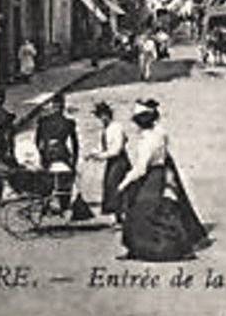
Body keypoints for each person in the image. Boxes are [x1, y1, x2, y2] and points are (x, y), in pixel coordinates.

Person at [117, 98, 209, 261]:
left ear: (140, 123)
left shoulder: (146, 141)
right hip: (161, 173)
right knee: (160, 208)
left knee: (142, 210)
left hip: (151, 177)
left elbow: (140, 168)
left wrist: (124, 182)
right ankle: (143, 248)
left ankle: (156, 249)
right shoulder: (159, 133)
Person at [84, 100, 130, 223]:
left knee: (118, 187)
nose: (102, 119)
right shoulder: (106, 129)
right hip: (112, 162)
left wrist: (100, 156)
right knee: (110, 187)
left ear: (108, 114)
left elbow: (116, 150)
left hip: (120, 162)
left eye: (102, 116)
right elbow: (101, 146)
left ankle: (124, 216)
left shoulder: (117, 127)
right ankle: (117, 217)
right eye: (99, 116)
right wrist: (92, 153)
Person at [35, 92, 80, 215]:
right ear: (63, 106)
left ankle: (45, 202)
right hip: (62, 154)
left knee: (45, 178)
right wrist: (74, 162)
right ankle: (64, 205)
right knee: (66, 179)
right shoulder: (69, 123)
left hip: (47, 155)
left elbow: (37, 141)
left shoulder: (43, 121)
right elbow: (75, 144)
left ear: (52, 106)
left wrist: (42, 153)